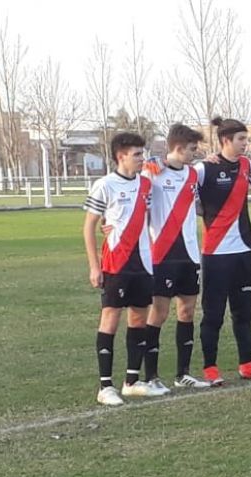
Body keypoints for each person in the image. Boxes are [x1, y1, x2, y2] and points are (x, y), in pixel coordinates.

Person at [195, 117, 251, 385]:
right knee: (213, 314)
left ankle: (248, 364)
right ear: (225, 140)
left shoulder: (245, 165)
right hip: (215, 254)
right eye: (241, 139)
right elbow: (177, 179)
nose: (245, 144)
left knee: (244, 313)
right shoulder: (205, 169)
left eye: (246, 139)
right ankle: (210, 368)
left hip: (243, 251)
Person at [82, 132, 158, 406]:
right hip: (116, 262)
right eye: (137, 154)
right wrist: (95, 266)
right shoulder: (105, 185)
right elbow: (88, 227)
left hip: (143, 263)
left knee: (138, 318)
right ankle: (105, 387)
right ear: (121, 156)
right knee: (110, 319)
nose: (142, 159)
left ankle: (132, 381)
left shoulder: (147, 184)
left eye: (143, 153)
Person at [142, 124, 211, 393]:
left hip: (190, 255)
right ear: (178, 148)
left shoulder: (193, 174)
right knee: (158, 313)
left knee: (187, 311)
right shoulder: (153, 172)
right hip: (162, 253)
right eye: (193, 149)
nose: (196, 153)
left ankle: (183, 373)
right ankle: (151, 375)